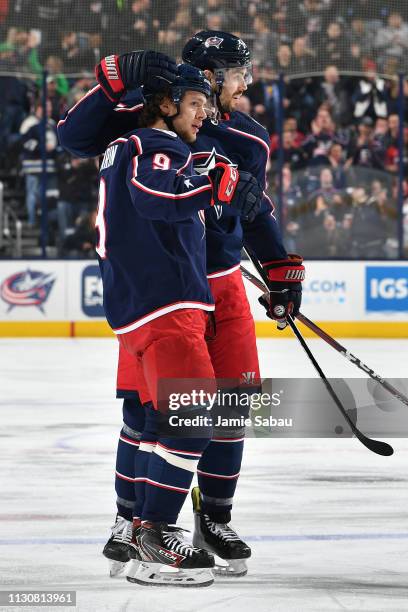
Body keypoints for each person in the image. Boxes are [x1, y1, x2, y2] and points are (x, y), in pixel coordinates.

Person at [58, 33, 305, 579]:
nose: (247, 83)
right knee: (151, 412)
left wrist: (280, 268)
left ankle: (212, 517)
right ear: (209, 78)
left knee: (232, 407)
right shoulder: (149, 120)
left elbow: (255, 211)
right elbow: (73, 139)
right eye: (238, 73)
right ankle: (135, 522)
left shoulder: (250, 137)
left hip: (218, 285)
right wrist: (111, 86)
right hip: (166, 289)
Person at [94, 63, 262, 587]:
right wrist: (213, 185)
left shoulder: (127, 145)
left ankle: (140, 526)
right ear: (166, 105)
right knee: (196, 418)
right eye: (193, 105)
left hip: (143, 309)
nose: (202, 114)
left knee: (161, 426)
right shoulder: (156, 145)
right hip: (166, 305)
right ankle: (156, 537)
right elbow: (157, 199)